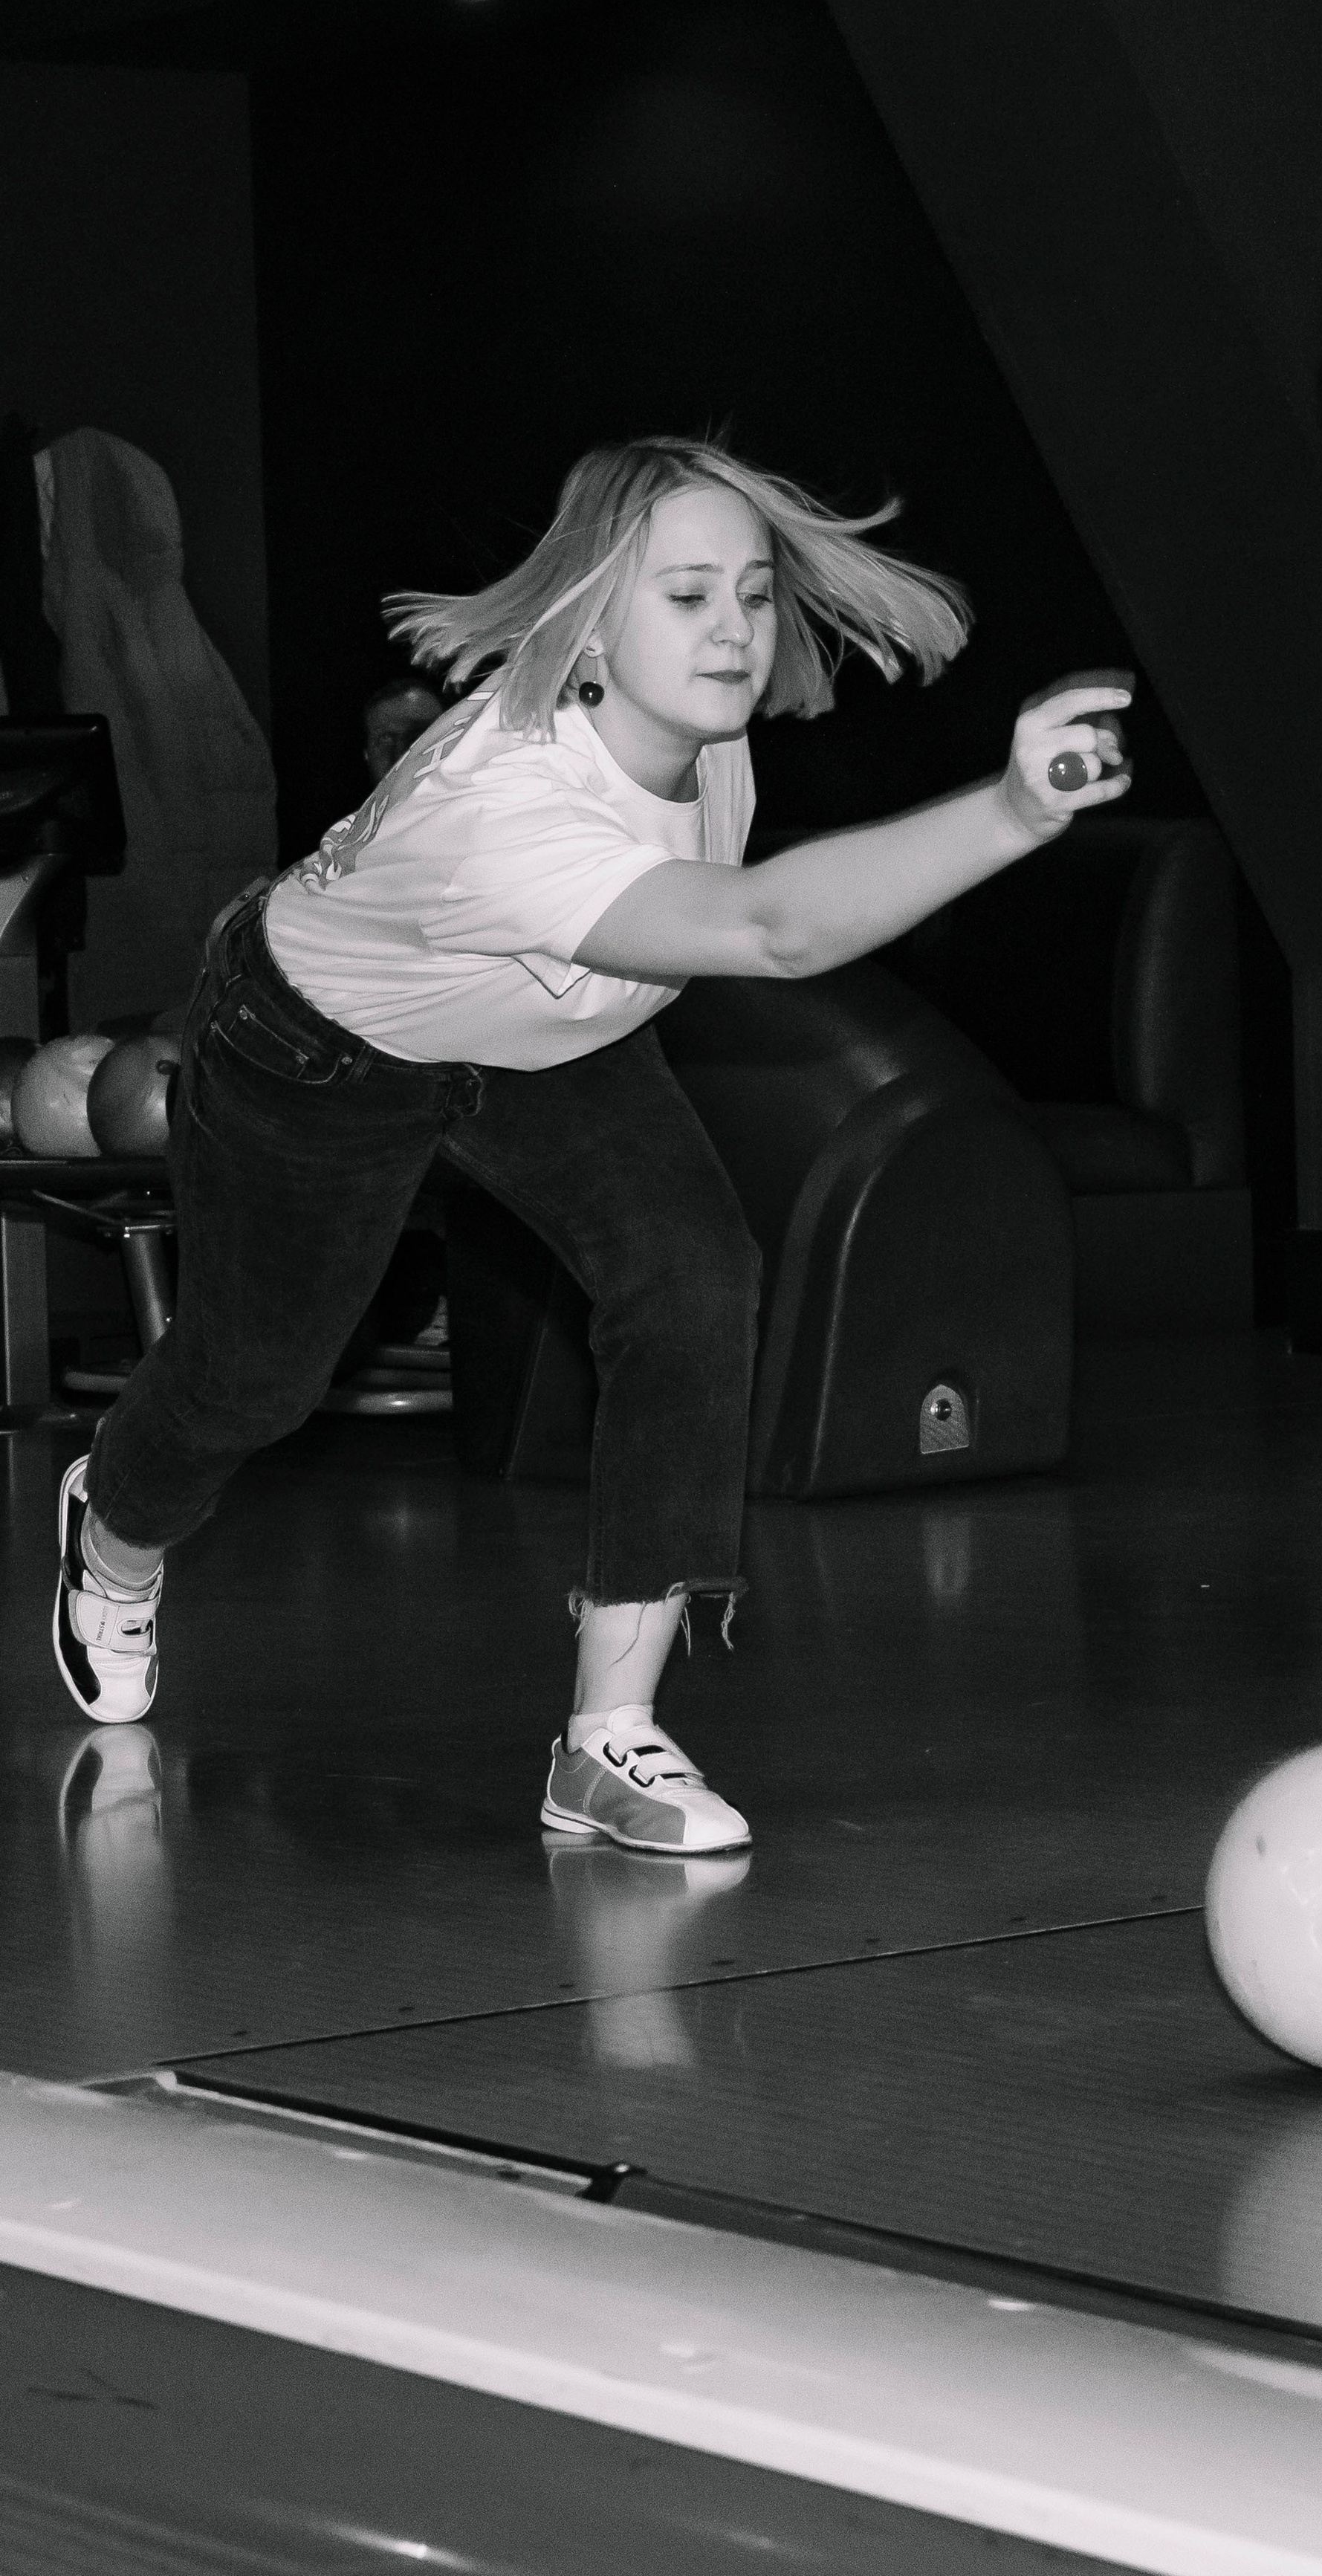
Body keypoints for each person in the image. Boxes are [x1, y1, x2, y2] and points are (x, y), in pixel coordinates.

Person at [51, 436, 1131, 1849]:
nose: (736, 630)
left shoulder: (709, 738)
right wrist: (1010, 811)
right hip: (319, 1048)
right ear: (591, 625)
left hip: (551, 1037)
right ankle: (115, 1528)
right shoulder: (508, 809)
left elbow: (724, 906)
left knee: (693, 1277)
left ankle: (609, 1739)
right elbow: (771, 929)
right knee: (258, 1382)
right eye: (688, 598)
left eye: (752, 593)